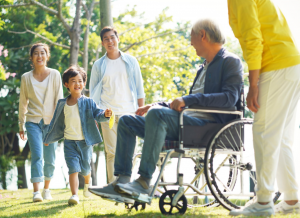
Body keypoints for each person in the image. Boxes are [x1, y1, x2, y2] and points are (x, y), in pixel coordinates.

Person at [88, 19, 243, 204]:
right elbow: (185, 101)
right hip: (186, 122)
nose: (191, 43)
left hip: (207, 127)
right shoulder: (204, 66)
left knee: (157, 115)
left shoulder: (230, 61)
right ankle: (121, 182)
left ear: (202, 35)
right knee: (128, 121)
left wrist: (186, 100)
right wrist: (155, 105)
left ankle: (144, 181)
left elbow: (229, 99)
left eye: (192, 38)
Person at [227, 0, 300, 216]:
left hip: (277, 66)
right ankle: (292, 199)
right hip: (290, 66)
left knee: (264, 132)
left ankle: (263, 201)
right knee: (280, 138)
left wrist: (253, 84)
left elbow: (253, 38)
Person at [43, 66, 112, 205]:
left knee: (86, 168)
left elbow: (97, 114)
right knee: (73, 168)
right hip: (69, 142)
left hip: (85, 142)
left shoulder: (89, 102)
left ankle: (87, 182)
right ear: (66, 84)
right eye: (73, 81)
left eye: (80, 81)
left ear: (83, 83)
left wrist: (105, 115)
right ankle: (74, 195)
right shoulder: (62, 103)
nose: (77, 84)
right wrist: (48, 138)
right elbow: (55, 122)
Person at [89, 26, 145, 184]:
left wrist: (141, 110)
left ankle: (127, 184)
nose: (109, 41)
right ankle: (114, 186)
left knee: (130, 152)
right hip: (108, 114)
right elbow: (93, 93)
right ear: (102, 43)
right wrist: (94, 115)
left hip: (129, 113)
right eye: (105, 39)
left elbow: (139, 88)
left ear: (118, 39)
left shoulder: (130, 61)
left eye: (112, 37)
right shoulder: (98, 65)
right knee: (111, 152)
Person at [19, 43, 63, 202]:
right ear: (31, 58)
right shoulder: (25, 77)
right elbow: (23, 102)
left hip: (51, 123)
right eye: (36, 53)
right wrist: (21, 124)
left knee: (50, 158)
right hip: (32, 122)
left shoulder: (55, 74)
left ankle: (46, 189)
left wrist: (55, 126)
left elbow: (59, 100)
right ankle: (36, 192)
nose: (39, 56)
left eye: (43, 53)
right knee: (37, 155)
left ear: (47, 56)